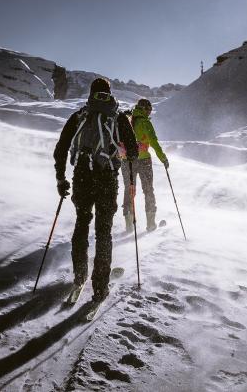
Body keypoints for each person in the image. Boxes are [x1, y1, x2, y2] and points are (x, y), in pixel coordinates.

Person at [53, 77, 139, 304]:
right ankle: (100, 287)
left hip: (82, 176)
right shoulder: (118, 116)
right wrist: (126, 167)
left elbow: (61, 149)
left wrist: (61, 179)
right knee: (104, 232)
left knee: (81, 224)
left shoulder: (80, 115)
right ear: (109, 93)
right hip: (107, 179)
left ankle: (79, 276)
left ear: (91, 94)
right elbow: (132, 151)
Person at [121, 98, 168, 233]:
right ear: (145, 109)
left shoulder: (127, 120)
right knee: (148, 190)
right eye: (149, 109)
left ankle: (129, 225)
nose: (150, 112)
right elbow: (153, 142)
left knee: (129, 190)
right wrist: (163, 158)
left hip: (126, 160)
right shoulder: (145, 123)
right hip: (143, 160)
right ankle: (151, 224)